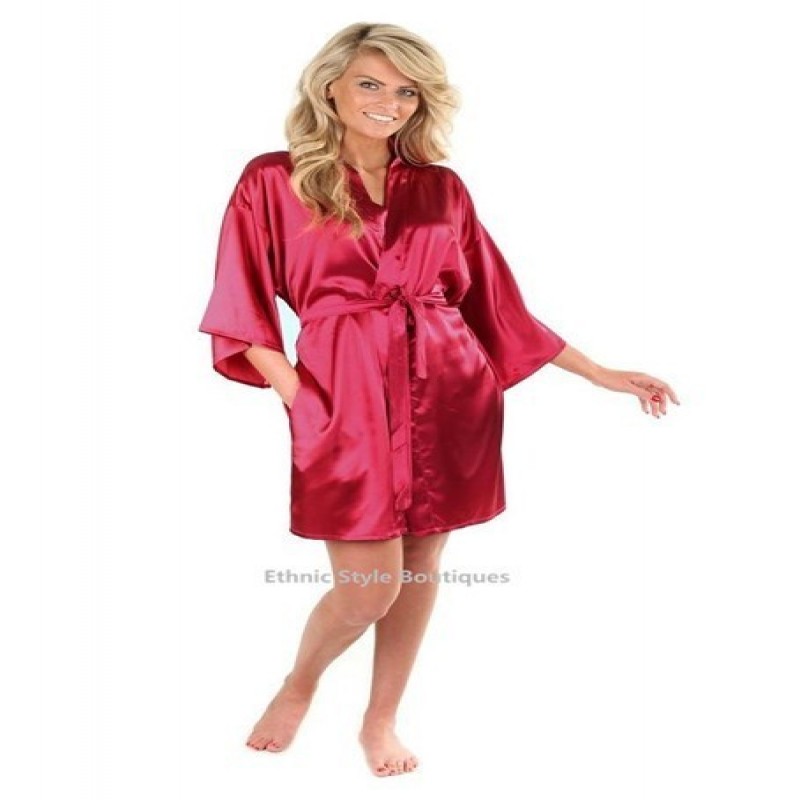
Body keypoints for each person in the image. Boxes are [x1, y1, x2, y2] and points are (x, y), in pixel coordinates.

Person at [198, 22, 680, 778]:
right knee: (366, 590)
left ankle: (380, 720)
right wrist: (299, 397)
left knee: (420, 564)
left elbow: (496, 304)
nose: (387, 102)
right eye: (370, 83)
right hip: (343, 392)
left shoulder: (441, 187)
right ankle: (300, 685)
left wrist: (599, 372)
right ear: (330, 86)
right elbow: (241, 302)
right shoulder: (273, 179)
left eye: (405, 90)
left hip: (449, 389)